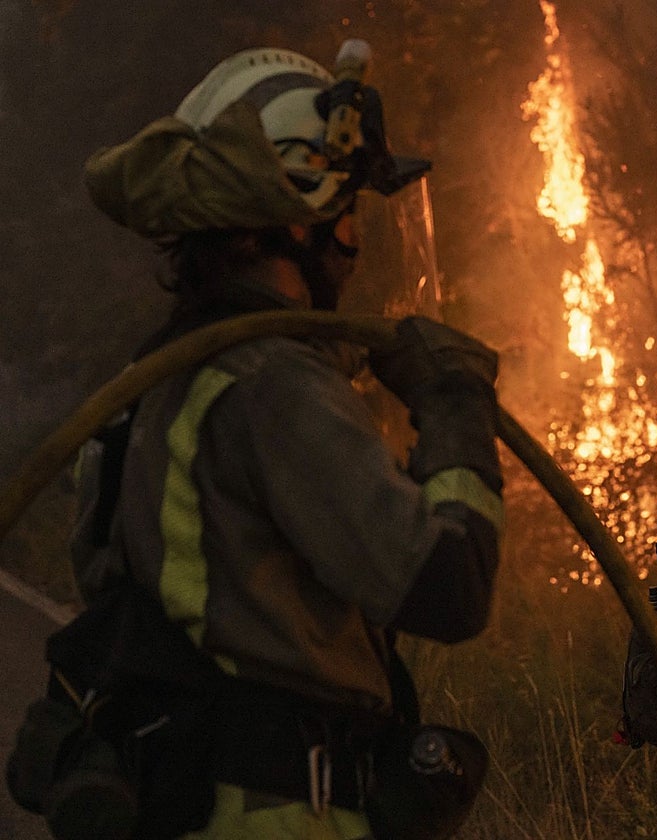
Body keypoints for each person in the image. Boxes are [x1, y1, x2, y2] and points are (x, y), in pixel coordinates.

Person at [62, 40, 501, 839]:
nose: (357, 241)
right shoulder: (273, 385)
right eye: (348, 211)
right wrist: (455, 406)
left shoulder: (163, 377)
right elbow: (449, 587)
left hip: (192, 801)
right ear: (301, 219)